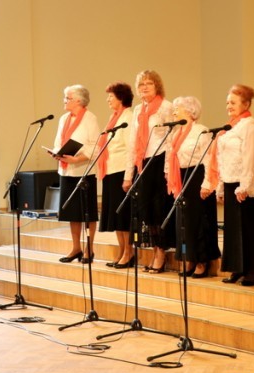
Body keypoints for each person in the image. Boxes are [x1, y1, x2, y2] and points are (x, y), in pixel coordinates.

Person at [209, 85, 254, 286]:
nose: (229, 106)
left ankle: (253, 268)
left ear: (246, 104)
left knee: (249, 228)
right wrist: (221, 186)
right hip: (231, 182)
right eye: (227, 102)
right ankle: (237, 267)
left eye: (233, 102)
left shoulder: (251, 125)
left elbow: (250, 157)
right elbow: (223, 159)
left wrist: (245, 186)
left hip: (246, 184)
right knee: (233, 229)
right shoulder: (231, 127)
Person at [123, 70, 175, 273]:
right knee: (147, 212)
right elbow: (133, 141)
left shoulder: (166, 107)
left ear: (157, 86)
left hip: (160, 161)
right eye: (141, 84)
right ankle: (154, 250)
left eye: (149, 83)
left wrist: (168, 169)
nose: (144, 87)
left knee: (159, 209)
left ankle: (161, 252)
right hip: (142, 162)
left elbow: (171, 139)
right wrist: (128, 175)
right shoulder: (138, 109)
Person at [166, 96, 221, 278]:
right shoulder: (176, 133)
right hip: (181, 178)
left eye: (178, 108)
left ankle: (202, 260)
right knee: (184, 222)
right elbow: (171, 157)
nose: (174, 112)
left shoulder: (201, 131)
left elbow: (209, 159)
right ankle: (188, 257)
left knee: (198, 221)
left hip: (197, 176)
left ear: (190, 111)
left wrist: (207, 183)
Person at [49, 84, 100, 264]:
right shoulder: (63, 118)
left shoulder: (90, 118)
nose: (64, 101)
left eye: (68, 98)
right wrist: (57, 152)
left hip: (84, 171)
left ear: (78, 100)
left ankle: (89, 248)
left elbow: (95, 146)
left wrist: (77, 159)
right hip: (66, 170)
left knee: (87, 212)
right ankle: (76, 247)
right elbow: (58, 142)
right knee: (71, 212)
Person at [97, 82, 134, 268]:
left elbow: (130, 149)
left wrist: (128, 176)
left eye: (111, 96)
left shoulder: (128, 118)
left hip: (121, 171)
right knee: (116, 215)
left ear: (121, 97)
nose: (107, 100)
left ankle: (129, 251)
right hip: (110, 171)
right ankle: (122, 250)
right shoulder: (114, 118)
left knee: (123, 215)